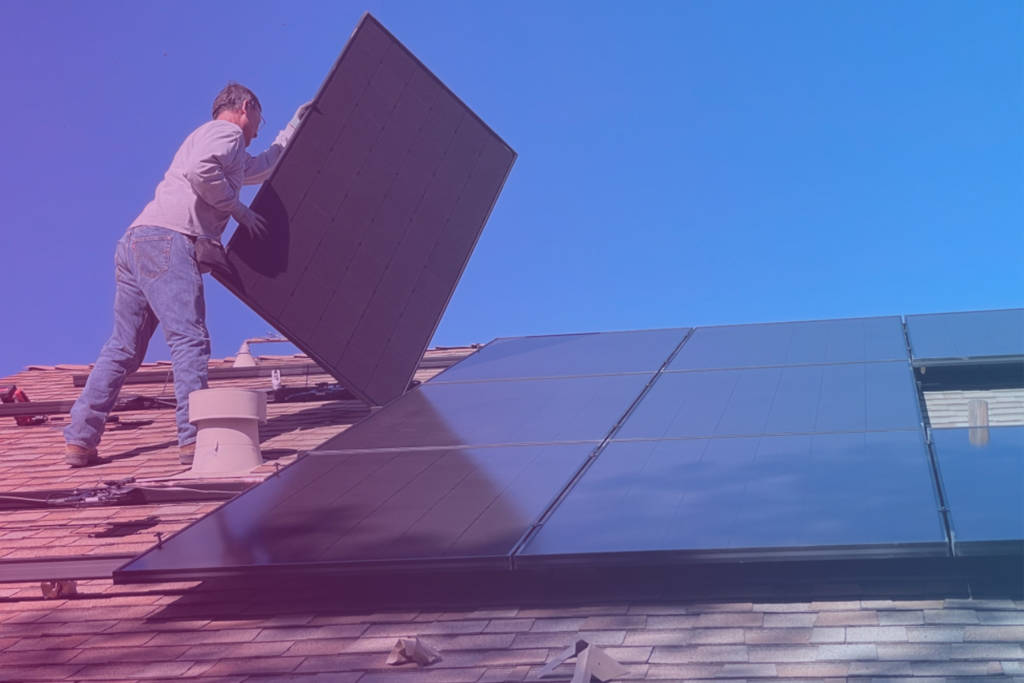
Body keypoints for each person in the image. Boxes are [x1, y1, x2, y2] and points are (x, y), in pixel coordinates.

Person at [64, 82, 310, 467]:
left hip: (136, 243)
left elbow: (261, 167)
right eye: (260, 119)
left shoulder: (212, 140)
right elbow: (202, 172)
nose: (259, 129)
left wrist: (294, 126)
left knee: (123, 349)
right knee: (189, 339)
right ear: (246, 107)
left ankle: (80, 439)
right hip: (168, 241)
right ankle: (194, 441)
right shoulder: (226, 133)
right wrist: (239, 212)